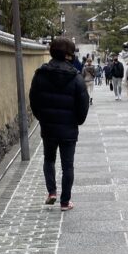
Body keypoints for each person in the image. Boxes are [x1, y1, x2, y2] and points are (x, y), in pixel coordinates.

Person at [29, 36, 89, 212]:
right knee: (67, 165)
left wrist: (42, 117)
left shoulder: (40, 75)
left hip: (48, 126)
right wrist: (77, 121)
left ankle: (52, 192)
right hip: (69, 127)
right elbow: (83, 104)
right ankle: (65, 202)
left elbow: (34, 100)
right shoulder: (76, 78)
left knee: (49, 159)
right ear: (69, 55)